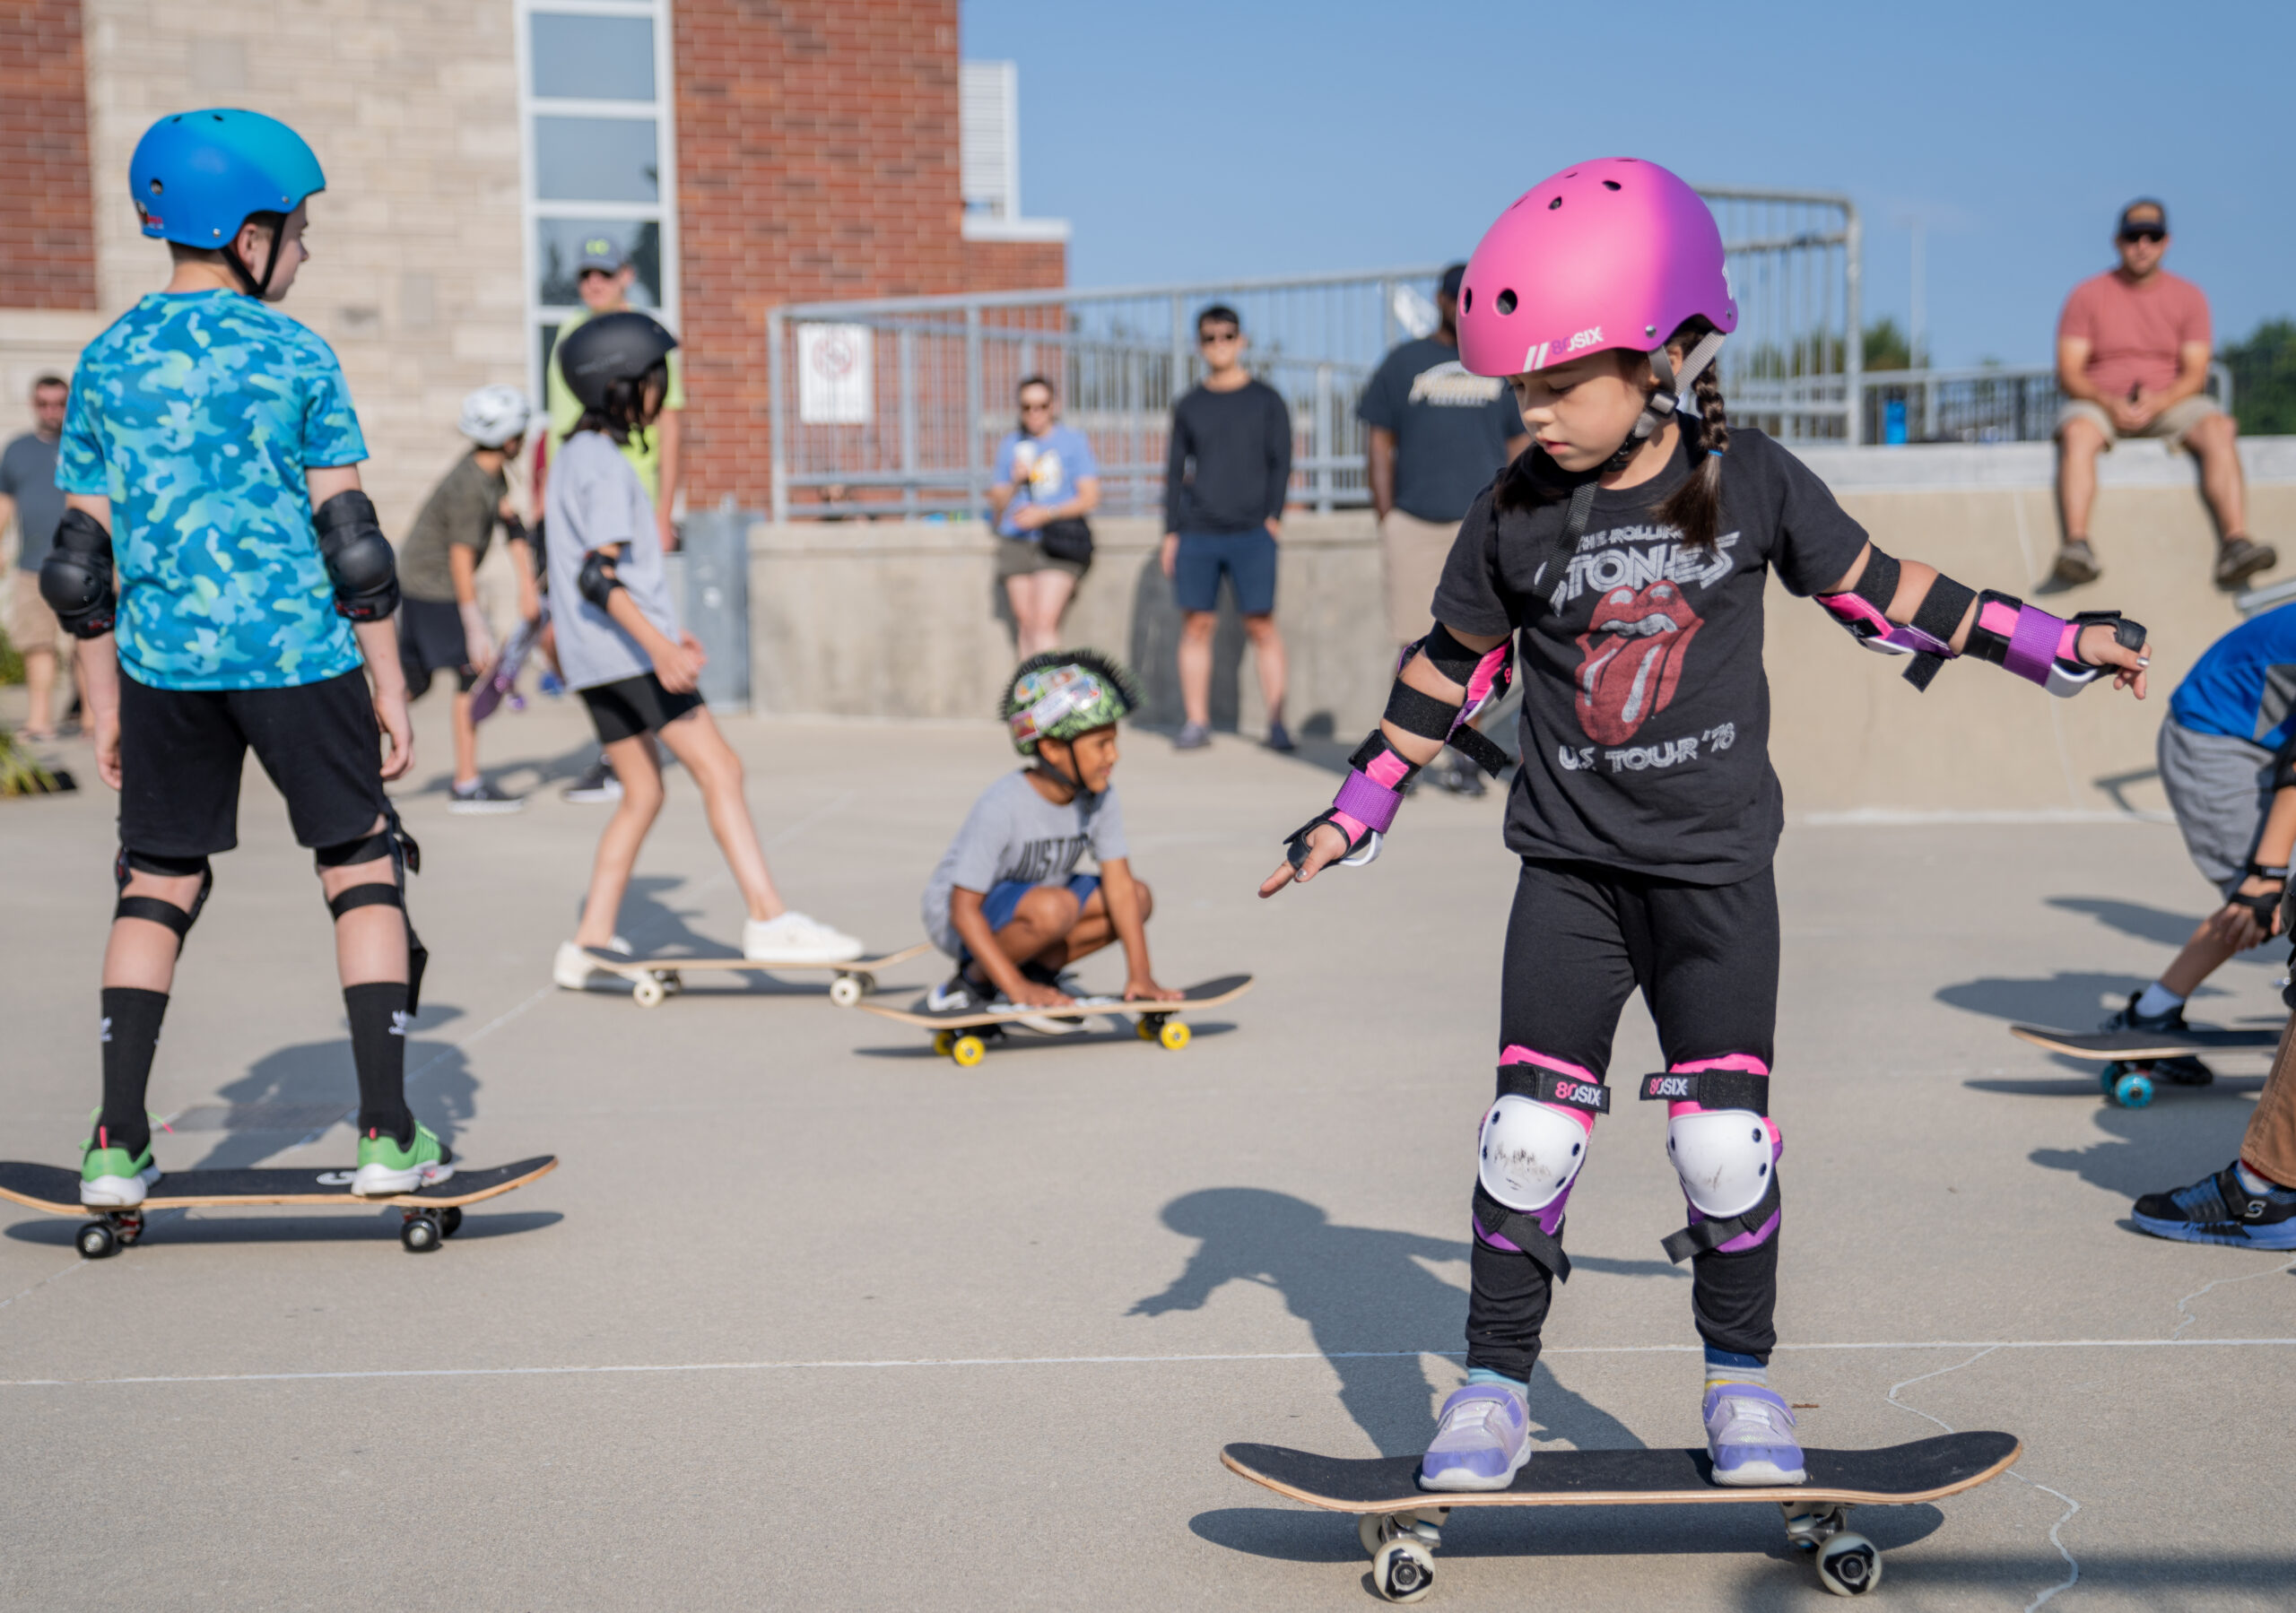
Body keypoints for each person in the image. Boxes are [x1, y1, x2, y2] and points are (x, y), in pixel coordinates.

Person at [1260, 159, 2152, 1494]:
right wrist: (1355, 806)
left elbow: (1887, 591)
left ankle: (1742, 1380)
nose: (1536, 410)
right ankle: (1493, 1385)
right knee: (1527, 1135)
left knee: (1723, 1146)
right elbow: (1449, 668)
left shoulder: (1752, 482)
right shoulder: (1510, 512)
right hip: (1568, 872)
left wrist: (2049, 642)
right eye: (1521, 386)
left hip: (1717, 875)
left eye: (1562, 382)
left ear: (1667, 353)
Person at [49, 108, 451, 1206]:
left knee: (155, 884)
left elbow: (80, 564)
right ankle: (388, 1129)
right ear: (245, 232)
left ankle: (114, 1142)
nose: (305, 250)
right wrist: (388, 680)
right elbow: (353, 542)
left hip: (165, 667)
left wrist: (104, 702)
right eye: (299, 228)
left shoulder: (106, 358)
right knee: (362, 864)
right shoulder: (294, 352)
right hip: (300, 658)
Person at [542, 310, 863, 988]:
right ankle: (768, 916)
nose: (662, 395)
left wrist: (663, 630)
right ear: (621, 385)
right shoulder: (603, 463)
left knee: (643, 792)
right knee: (722, 768)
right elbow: (598, 576)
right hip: (631, 655)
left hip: (600, 660)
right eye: (655, 380)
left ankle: (590, 940)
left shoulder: (573, 455)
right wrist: (660, 646)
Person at [922, 651, 1175, 1030]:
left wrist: (1141, 975)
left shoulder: (1099, 795)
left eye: (1114, 741)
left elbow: (1120, 887)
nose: (1114, 755)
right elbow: (962, 910)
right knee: (1055, 908)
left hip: (1042, 903)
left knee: (1137, 897)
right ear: (1052, 748)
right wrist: (1017, 989)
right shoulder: (1003, 806)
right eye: (1101, 744)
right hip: (962, 920)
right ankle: (973, 983)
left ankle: (1039, 972)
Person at [2100, 603, 2296, 1083]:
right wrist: (2266, 875)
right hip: (2217, 740)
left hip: (2271, 736)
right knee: (2270, 904)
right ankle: (2149, 1015)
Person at [1361, 264, 1530, 796]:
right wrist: (1388, 516)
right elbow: (1379, 442)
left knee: (1475, 650)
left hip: (1481, 524)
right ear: (1440, 300)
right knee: (1415, 645)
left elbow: (1518, 446)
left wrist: (1518, 511)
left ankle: (1463, 759)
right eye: (1457, 299)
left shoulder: (1498, 363)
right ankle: (1399, 758)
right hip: (1414, 522)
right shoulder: (1403, 363)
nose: (1463, 308)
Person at [2052, 199, 2270, 591]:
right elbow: (2070, 370)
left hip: (2169, 400)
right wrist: (2107, 401)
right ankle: (2076, 544)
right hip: (2103, 399)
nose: (2142, 245)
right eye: (2134, 236)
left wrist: (2162, 400)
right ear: (2118, 241)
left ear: (2166, 242)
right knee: (2078, 432)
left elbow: (2195, 371)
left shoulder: (2190, 297)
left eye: (2152, 236)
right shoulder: (2087, 295)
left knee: (2218, 426)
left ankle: (2236, 543)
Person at [540, 233, 685, 804]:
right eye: (585, 275)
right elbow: (557, 424)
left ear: (626, 274)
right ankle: (619, 743)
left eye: (604, 273)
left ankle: (618, 750)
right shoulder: (572, 339)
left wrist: (665, 507)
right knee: (583, 621)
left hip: (629, 500)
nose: (593, 284)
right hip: (578, 498)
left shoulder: (639, 342)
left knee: (618, 615)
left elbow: (668, 423)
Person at [397, 385, 539, 812]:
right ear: (510, 438)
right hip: (435, 587)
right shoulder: (469, 487)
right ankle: (466, 784)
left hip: (418, 582)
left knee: (413, 683)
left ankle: (351, 758)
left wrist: (527, 586)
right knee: (470, 678)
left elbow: (511, 524)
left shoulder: (489, 471)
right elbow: (460, 562)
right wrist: (475, 627)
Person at [1161, 305, 1294, 752]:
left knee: (1261, 625)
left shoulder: (1267, 400)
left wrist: (1272, 518)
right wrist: (1171, 533)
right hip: (1198, 532)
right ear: (1200, 345)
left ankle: (1277, 724)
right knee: (1197, 624)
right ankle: (1196, 722)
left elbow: (1282, 462)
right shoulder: (1189, 404)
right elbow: (1174, 471)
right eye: (1210, 337)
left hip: (1253, 532)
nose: (1219, 344)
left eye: (1227, 335)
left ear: (1242, 340)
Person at [988, 377, 1100, 658]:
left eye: (1041, 406)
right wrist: (1015, 481)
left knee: (1043, 623)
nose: (1034, 413)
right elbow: (997, 504)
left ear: (1054, 406)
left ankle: (1051, 699)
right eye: (1027, 407)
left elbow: (1089, 497)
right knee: (1026, 624)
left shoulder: (1072, 441)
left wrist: (1045, 514)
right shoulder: (1011, 445)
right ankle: (1030, 700)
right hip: (1017, 540)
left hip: (1059, 539)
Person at [2, 375, 74, 738]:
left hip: (87, 565)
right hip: (33, 566)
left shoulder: (87, 444)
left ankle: (94, 722)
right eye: (44, 404)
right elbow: (4, 504)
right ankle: (40, 722)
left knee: (88, 646)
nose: (51, 412)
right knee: (37, 645)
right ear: (34, 405)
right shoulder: (17, 450)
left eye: (59, 404)